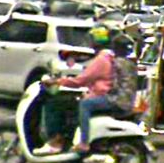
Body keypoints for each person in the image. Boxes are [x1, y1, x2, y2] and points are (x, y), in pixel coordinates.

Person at [34, 24, 115, 155]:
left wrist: (57, 81)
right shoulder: (110, 57)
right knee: (70, 105)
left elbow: (80, 81)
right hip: (103, 94)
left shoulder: (101, 59)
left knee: (55, 104)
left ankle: (63, 142)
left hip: (102, 96)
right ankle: (67, 139)